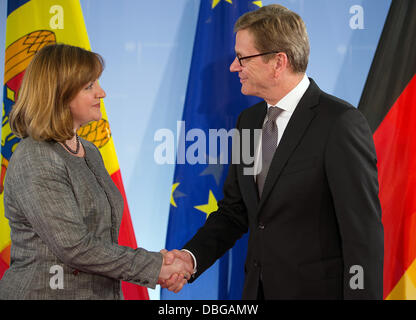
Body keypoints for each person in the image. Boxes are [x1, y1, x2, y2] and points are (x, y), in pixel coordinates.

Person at [162, 4, 384, 299]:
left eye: (242, 57)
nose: (233, 66)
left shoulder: (340, 123)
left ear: (278, 61)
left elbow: (362, 234)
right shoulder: (248, 123)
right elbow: (234, 210)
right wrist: (190, 258)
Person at [0, 44, 192, 299]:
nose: (102, 93)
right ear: (59, 94)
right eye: (89, 86)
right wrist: (156, 266)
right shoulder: (36, 157)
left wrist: (161, 265)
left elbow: (101, 238)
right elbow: (75, 247)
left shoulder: (89, 150)